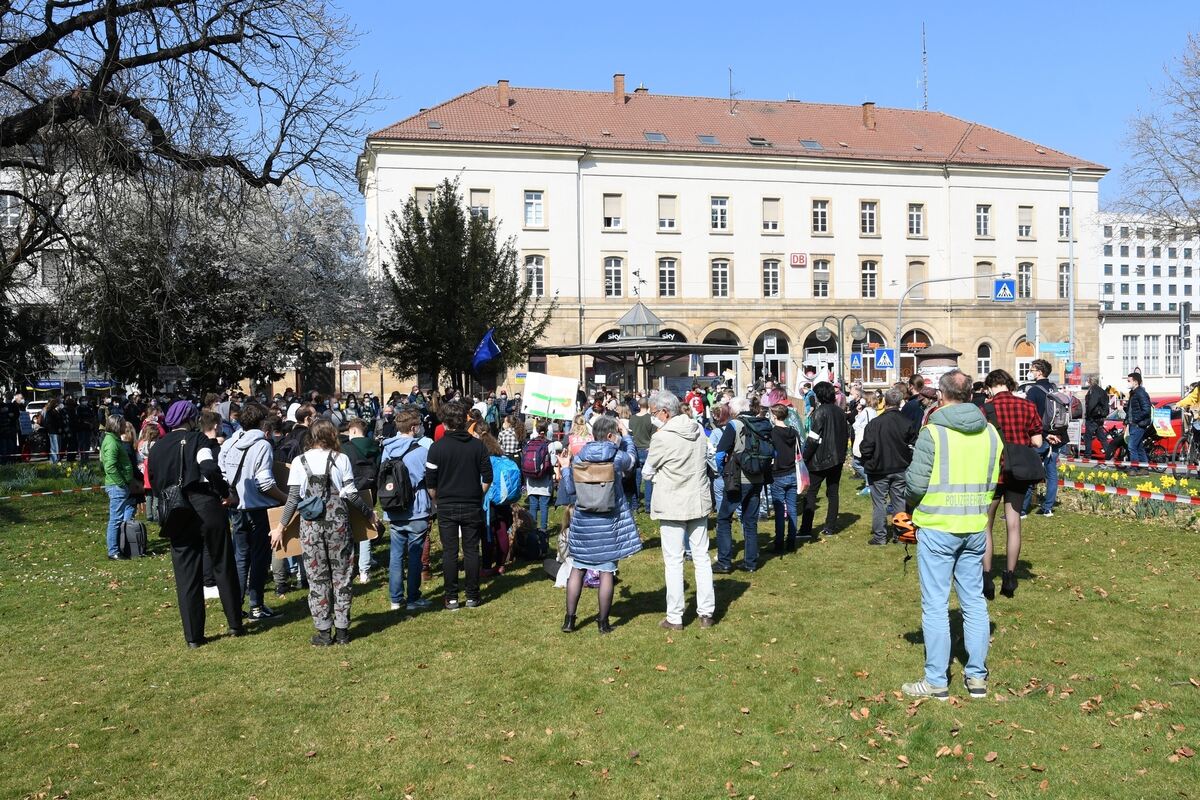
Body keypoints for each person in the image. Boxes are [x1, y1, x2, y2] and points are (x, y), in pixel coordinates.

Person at [902, 370, 1001, 701]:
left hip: (938, 526)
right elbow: (992, 480)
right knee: (973, 601)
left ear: (941, 397)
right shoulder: (990, 433)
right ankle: (976, 678)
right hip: (974, 526)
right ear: (971, 395)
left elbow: (915, 484)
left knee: (935, 604)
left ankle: (936, 681)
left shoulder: (934, 434)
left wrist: (912, 508)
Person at [270, 419, 379, 646]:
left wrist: (280, 527)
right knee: (343, 576)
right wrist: (369, 514)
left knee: (317, 578)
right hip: (338, 524)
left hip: (311, 528)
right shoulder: (342, 459)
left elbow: (293, 499)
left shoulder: (300, 461)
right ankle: (342, 631)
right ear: (332, 435)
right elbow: (350, 493)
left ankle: (323, 632)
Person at [150, 402, 245, 647]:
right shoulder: (197, 440)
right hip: (205, 506)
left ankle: (193, 636)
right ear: (191, 419)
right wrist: (224, 491)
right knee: (222, 563)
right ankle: (235, 623)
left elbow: (153, 479)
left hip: (174, 511)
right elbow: (208, 467)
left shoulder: (157, 447)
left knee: (186, 574)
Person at [558, 415, 640, 634]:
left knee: (577, 569)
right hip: (609, 523)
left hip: (584, 523)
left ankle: (569, 620)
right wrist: (627, 437)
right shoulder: (617, 456)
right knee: (606, 572)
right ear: (612, 435)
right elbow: (633, 460)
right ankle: (603, 623)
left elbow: (571, 490)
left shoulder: (579, 457)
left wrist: (565, 468)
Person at [641, 391, 715, 630]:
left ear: (664, 412)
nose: (653, 417)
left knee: (674, 561)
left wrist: (659, 473)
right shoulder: (698, 431)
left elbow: (647, 471)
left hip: (673, 502)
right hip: (697, 500)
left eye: (654, 413)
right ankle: (706, 612)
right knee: (701, 557)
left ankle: (675, 616)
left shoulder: (662, 438)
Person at [220, 402, 288, 621]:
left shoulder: (230, 443)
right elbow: (265, 483)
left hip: (236, 507)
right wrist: (286, 499)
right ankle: (256, 606)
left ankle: (235, 606)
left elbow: (222, 473)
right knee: (259, 558)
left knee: (240, 557)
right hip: (258, 508)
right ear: (262, 422)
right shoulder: (263, 445)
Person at [981, 369, 1043, 600]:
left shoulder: (985, 409)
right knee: (1014, 523)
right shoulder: (1027, 407)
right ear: (1009, 384)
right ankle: (1009, 575)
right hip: (1018, 472)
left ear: (989, 387)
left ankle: (987, 577)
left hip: (993, 472)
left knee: (986, 524)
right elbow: (1037, 441)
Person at [425, 401, 493, 611]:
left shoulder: (436, 448)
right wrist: (477, 494)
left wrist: (437, 499)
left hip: (447, 504)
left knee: (450, 552)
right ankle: (472, 595)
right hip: (470, 503)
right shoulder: (478, 445)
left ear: (444, 424)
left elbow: (430, 483)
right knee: (472, 550)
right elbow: (488, 477)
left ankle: (452, 597)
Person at [380, 409, 434, 611]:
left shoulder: (386, 449)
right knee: (414, 554)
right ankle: (413, 597)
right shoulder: (420, 451)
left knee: (395, 555)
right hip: (416, 508)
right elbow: (429, 479)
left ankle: (395, 598)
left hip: (393, 507)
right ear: (414, 428)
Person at [714, 397, 773, 573]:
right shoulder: (763, 423)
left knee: (724, 518)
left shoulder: (735, 425)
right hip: (758, 477)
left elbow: (720, 452)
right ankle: (750, 563)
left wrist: (721, 470)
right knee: (750, 520)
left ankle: (724, 562)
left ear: (734, 410)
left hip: (739, 479)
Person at [859, 388, 917, 546]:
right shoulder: (906, 422)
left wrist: (867, 460)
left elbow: (865, 448)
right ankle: (900, 535)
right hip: (899, 468)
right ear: (899, 402)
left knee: (880, 503)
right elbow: (913, 445)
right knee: (899, 501)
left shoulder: (876, 423)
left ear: (885, 401)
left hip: (880, 469)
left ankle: (880, 536)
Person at [799, 382, 850, 541]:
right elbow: (845, 434)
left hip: (819, 460)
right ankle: (830, 527)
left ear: (819, 396)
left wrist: (804, 457)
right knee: (833, 493)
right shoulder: (840, 412)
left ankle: (806, 529)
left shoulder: (820, 412)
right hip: (837, 459)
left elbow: (813, 439)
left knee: (811, 494)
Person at [1022, 359, 1067, 514]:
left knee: (1029, 473)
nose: (1030, 372)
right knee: (1051, 473)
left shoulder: (1033, 391)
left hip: (1040, 436)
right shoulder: (1054, 388)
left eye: (1032, 369)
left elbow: (1029, 416)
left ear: (1039, 372)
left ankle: (1022, 509)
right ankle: (1048, 508)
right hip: (1057, 435)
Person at [341, 417, 381, 584]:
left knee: (347, 530)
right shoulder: (376, 447)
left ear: (354, 431)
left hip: (350, 490)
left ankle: (348, 568)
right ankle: (365, 569)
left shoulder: (345, 449)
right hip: (370, 490)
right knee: (366, 529)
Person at [99, 414, 136, 559]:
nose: (124, 427)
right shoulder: (111, 442)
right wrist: (121, 483)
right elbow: (110, 466)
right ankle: (113, 551)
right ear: (116, 426)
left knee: (122, 515)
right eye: (122, 425)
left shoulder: (114, 440)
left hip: (120, 484)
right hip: (117, 485)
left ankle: (123, 545)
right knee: (115, 518)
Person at [767, 404, 800, 553]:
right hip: (792, 472)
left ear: (774, 416)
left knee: (780, 510)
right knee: (792, 509)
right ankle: (791, 541)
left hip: (779, 474)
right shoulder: (793, 432)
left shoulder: (772, 433)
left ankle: (779, 543)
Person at [521, 421, 555, 557]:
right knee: (544, 505)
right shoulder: (549, 444)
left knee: (533, 506)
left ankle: (532, 529)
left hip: (531, 480)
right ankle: (543, 529)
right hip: (544, 480)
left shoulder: (529, 443)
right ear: (547, 430)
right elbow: (552, 462)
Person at [1124, 371, 1153, 476]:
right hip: (1134, 424)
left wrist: (1135, 419)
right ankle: (1145, 468)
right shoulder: (1133, 393)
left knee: (1132, 446)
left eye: (1129, 381)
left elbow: (1146, 410)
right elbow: (1130, 410)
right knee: (1139, 447)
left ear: (1135, 382)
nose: (1127, 382)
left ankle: (1134, 468)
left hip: (1138, 424)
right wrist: (1127, 420)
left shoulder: (1141, 393)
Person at [629, 401, 654, 512]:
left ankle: (635, 504)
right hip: (648, 449)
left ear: (638, 405)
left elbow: (631, 434)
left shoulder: (632, 418)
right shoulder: (651, 418)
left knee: (636, 478)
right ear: (648, 406)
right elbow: (654, 435)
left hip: (636, 449)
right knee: (649, 479)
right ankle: (649, 505)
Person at [1082, 376, 1110, 458]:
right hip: (1099, 417)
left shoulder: (1093, 390)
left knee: (1087, 437)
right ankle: (1109, 453)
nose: (1087, 382)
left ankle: (1087, 455)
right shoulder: (1102, 390)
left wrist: (1088, 414)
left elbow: (1092, 404)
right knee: (1101, 437)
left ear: (1091, 381)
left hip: (1093, 417)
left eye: (1088, 380)